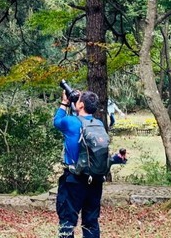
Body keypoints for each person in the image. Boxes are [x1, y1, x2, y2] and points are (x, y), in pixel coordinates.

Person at [54, 89, 106, 238]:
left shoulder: (70, 122)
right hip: (95, 180)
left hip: (74, 180)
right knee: (91, 222)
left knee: (67, 222)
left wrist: (65, 102)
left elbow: (57, 121)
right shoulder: (98, 124)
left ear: (81, 104)